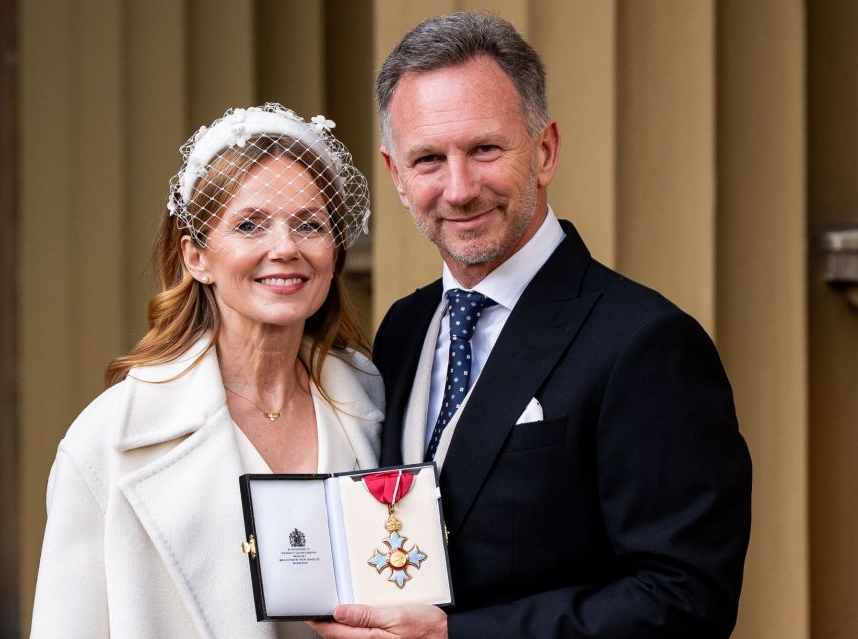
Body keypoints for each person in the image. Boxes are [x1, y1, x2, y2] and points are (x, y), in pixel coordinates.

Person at [311, 12, 751, 639]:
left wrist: (453, 637)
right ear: (397, 177)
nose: (459, 189)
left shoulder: (646, 342)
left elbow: (685, 599)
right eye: (429, 159)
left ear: (544, 151)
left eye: (484, 149)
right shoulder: (404, 329)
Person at [30, 103, 382, 638]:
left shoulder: (375, 399)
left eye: (309, 224)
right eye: (249, 225)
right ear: (196, 257)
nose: (285, 248)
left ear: (334, 251)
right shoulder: (108, 441)